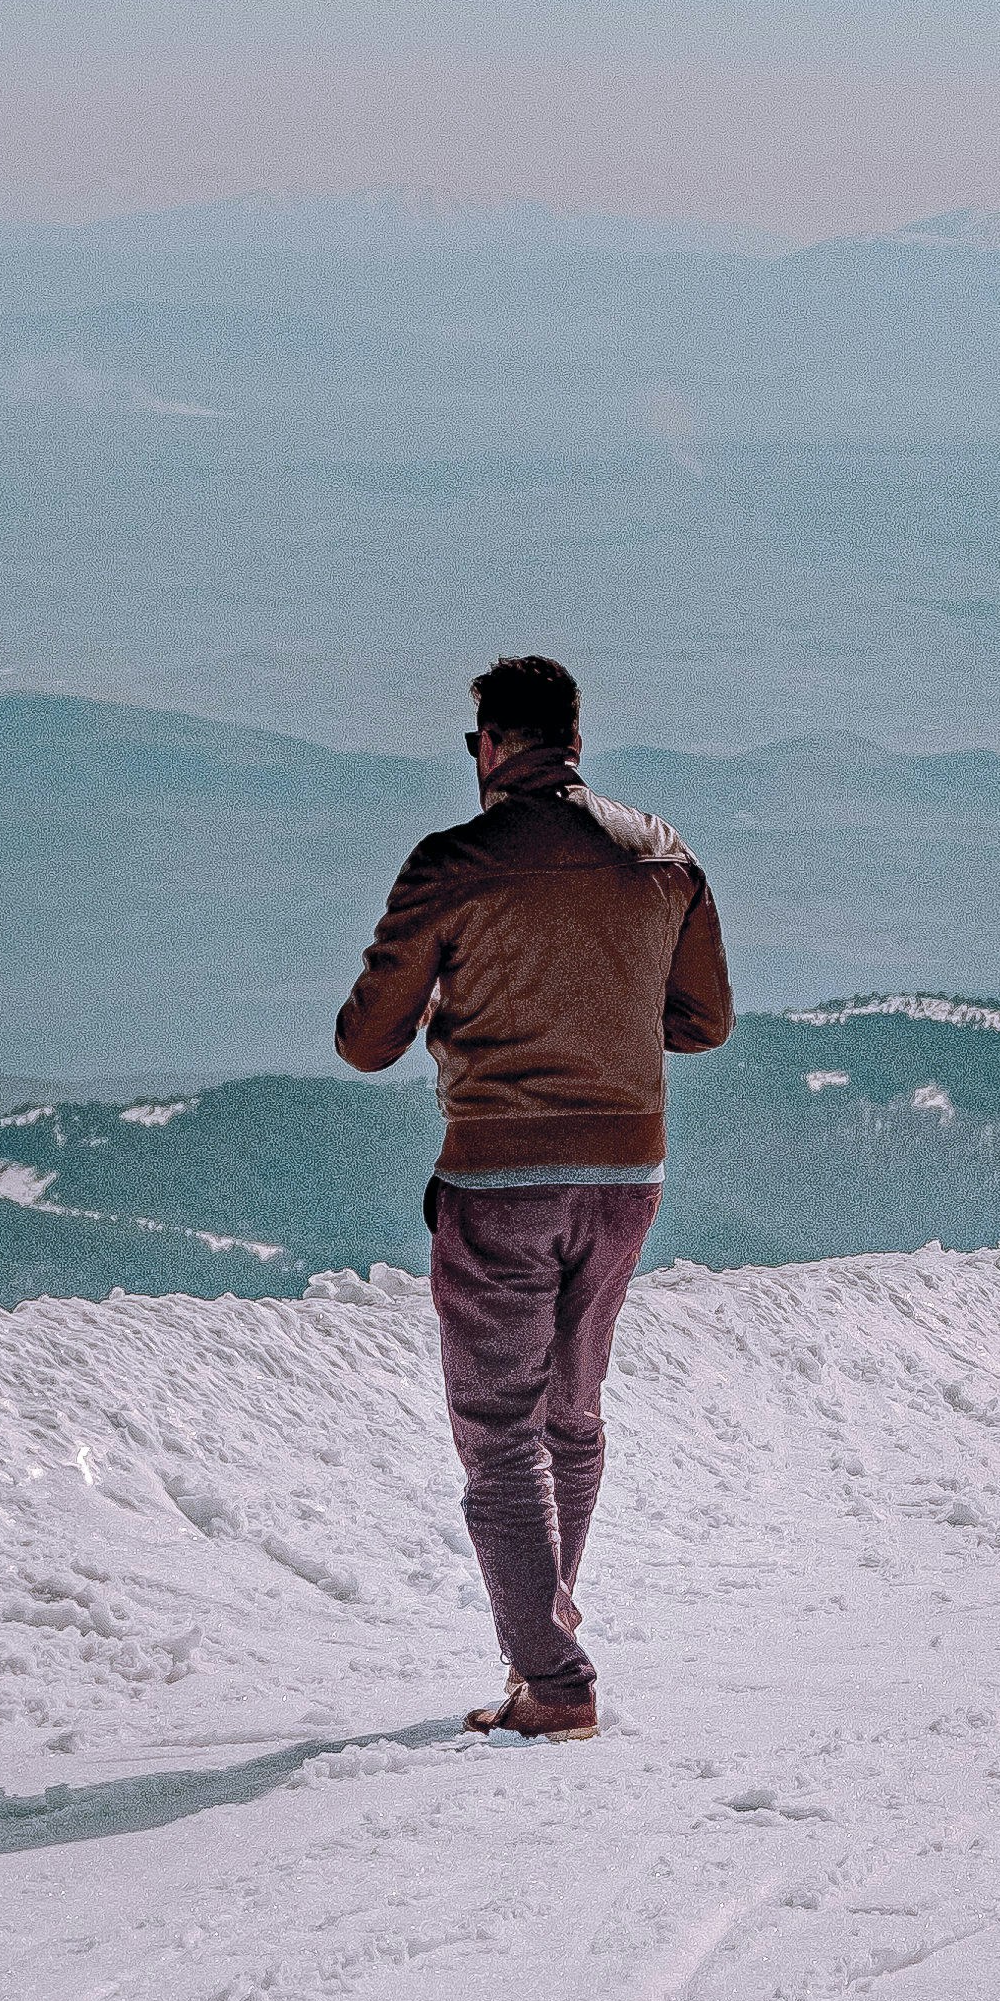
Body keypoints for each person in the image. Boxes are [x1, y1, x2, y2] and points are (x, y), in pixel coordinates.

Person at [335, 653, 733, 1742]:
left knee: (498, 1432)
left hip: (498, 1173)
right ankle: (544, 1645)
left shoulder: (451, 864)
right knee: (572, 1412)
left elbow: (365, 1041)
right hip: (626, 1175)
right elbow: (702, 1023)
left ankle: (552, 1681)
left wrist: (459, 1011)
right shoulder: (662, 854)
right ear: (572, 741)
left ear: (487, 747)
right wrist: (599, 1011)